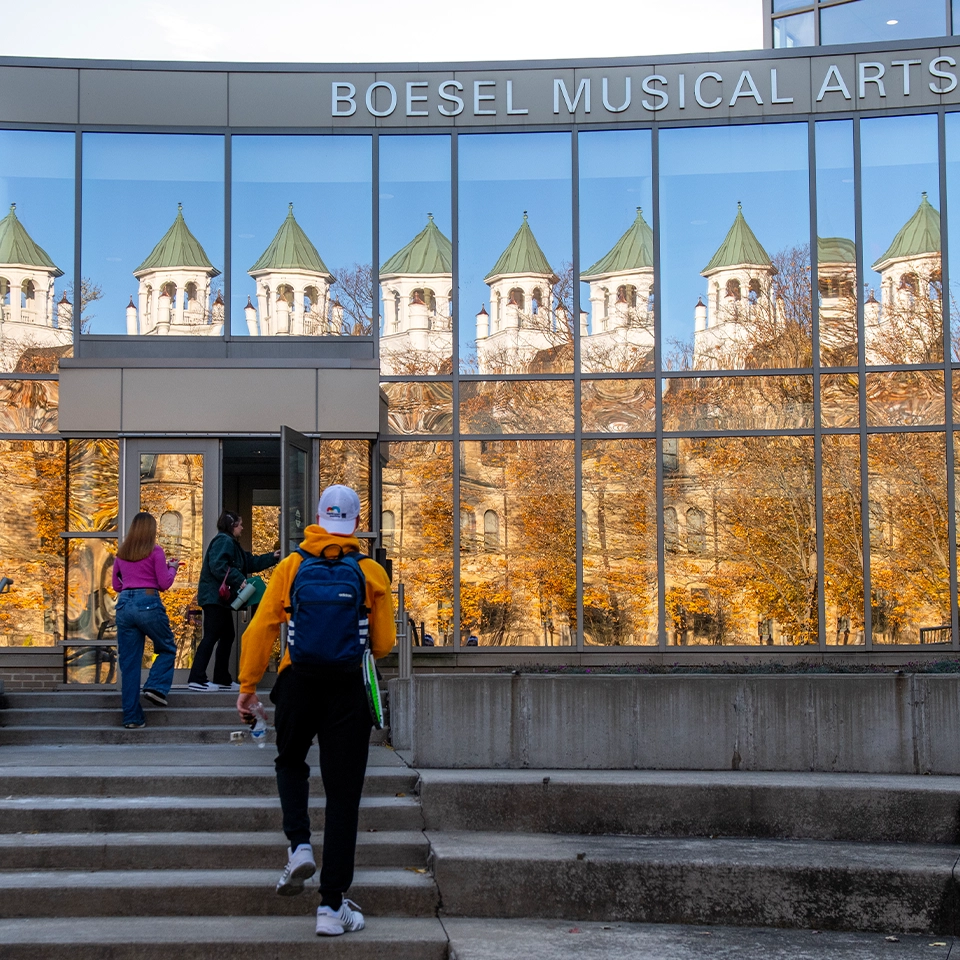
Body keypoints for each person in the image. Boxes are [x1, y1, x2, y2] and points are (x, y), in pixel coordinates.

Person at [236, 484, 395, 937]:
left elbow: (262, 629)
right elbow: (382, 645)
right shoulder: (369, 571)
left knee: (289, 762)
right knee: (344, 796)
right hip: (348, 689)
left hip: (298, 682)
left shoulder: (291, 566)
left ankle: (300, 845)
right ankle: (330, 906)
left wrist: (248, 687)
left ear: (318, 520)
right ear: (355, 522)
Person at [188, 511, 279, 691]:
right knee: (213, 635)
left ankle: (222, 678)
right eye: (240, 524)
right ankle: (197, 678)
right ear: (232, 526)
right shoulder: (224, 541)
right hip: (214, 598)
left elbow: (249, 562)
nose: (242, 528)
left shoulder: (229, 543)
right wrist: (239, 580)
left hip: (217, 599)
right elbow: (219, 565)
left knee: (227, 635)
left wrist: (273, 557)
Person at [112, 511, 182, 729]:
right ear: (152, 530)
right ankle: (155, 687)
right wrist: (173, 568)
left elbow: (116, 586)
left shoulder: (122, 554)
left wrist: (132, 587)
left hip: (124, 604)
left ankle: (132, 717)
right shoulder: (156, 552)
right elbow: (164, 583)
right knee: (167, 647)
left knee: (129, 664)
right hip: (148, 601)